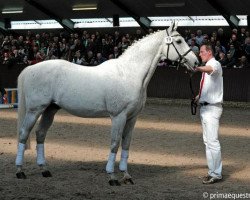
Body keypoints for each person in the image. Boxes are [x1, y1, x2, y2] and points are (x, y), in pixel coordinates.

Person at [194, 44, 223, 184]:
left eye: (202, 52)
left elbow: (211, 69)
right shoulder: (206, 68)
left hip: (212, 109)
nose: (200, 54)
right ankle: (212, 171)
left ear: (209, 52)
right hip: (205, 108)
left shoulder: (214, 64)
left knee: (212, 142)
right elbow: (207, 88)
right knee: (207, 142)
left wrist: (197, 68)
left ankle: (216, 173)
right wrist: (198, 98)